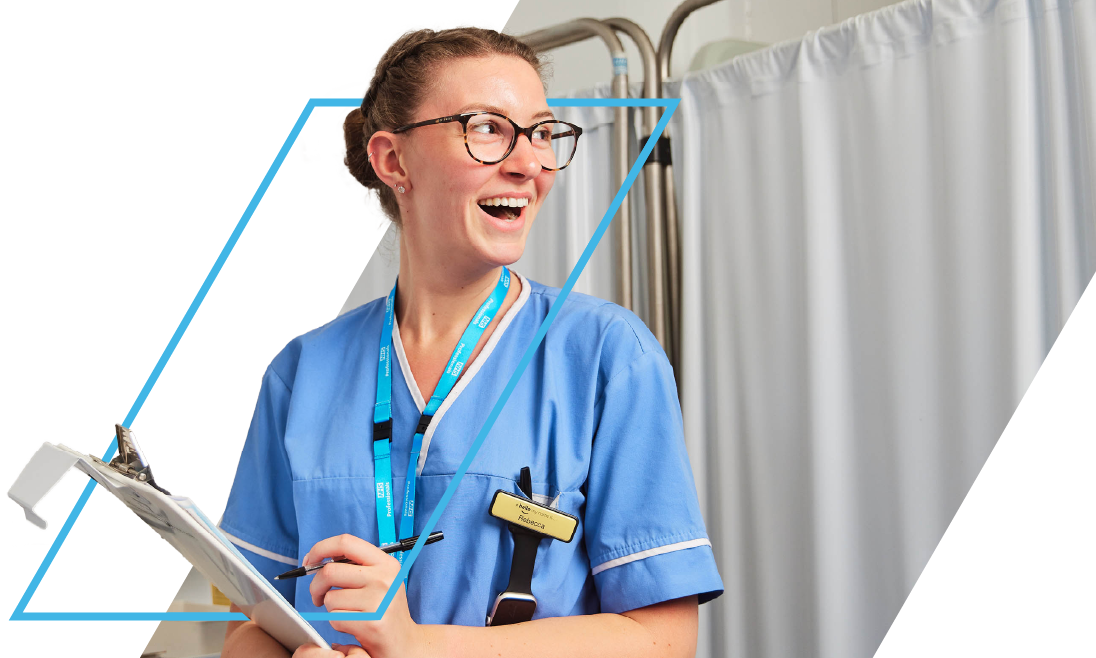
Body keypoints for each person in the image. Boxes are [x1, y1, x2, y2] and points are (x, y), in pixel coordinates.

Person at [219, 26, 723, 658]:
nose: (530, 162)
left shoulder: (607, 357)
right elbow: (250, 627)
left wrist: (416, 646)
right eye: (487, 127)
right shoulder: (302, 373)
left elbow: (663, 639)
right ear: (393, 161)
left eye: (541, 132)